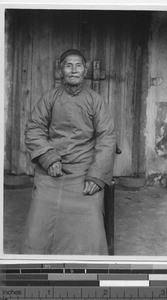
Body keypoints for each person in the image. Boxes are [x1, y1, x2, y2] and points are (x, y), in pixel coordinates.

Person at [21, 49, 116, 255]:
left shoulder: (96, 100)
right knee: (41, 208)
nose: (74, 70)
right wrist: (48, 158)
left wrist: (96, 175)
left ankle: (87, 265)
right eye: (68, 65)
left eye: (78, 65)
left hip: (85, 170)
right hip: (53, 169)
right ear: (61, 70)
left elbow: (107, 137)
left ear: (85, 70)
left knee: (89, 212)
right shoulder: (50, 98)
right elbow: (34, 129)